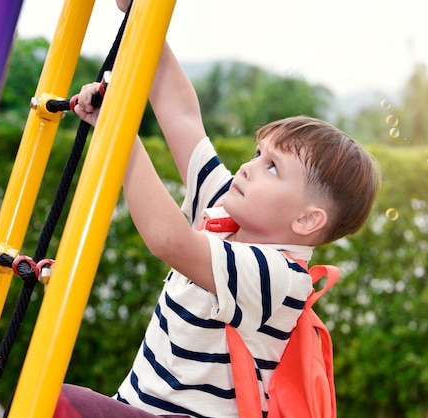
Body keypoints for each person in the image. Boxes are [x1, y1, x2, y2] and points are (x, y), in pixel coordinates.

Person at [55, 1, 380, 417]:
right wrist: (140, 16)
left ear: (306, 220)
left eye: (272, 168)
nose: (248, 167)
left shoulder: (279, 278)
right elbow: (181, 114)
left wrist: (119, 133)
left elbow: (168, 239)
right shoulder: (225, 208)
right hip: (135, 408)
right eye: (257, 153)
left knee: (53, 400)